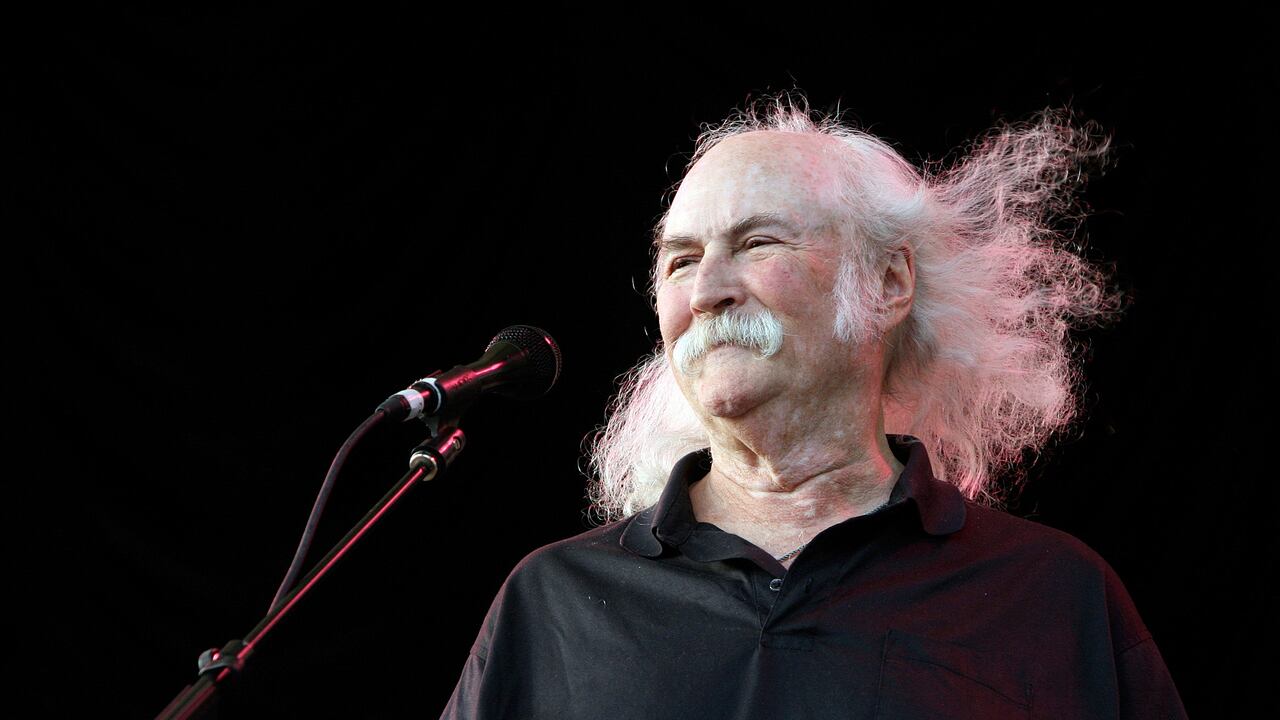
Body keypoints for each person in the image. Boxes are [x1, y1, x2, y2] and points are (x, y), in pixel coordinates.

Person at [441, 94, 1188, 719]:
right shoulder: (553, 601)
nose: (706, 293)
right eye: (681, 261)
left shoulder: (1053, 596)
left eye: (758, 243)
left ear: (888, 283)